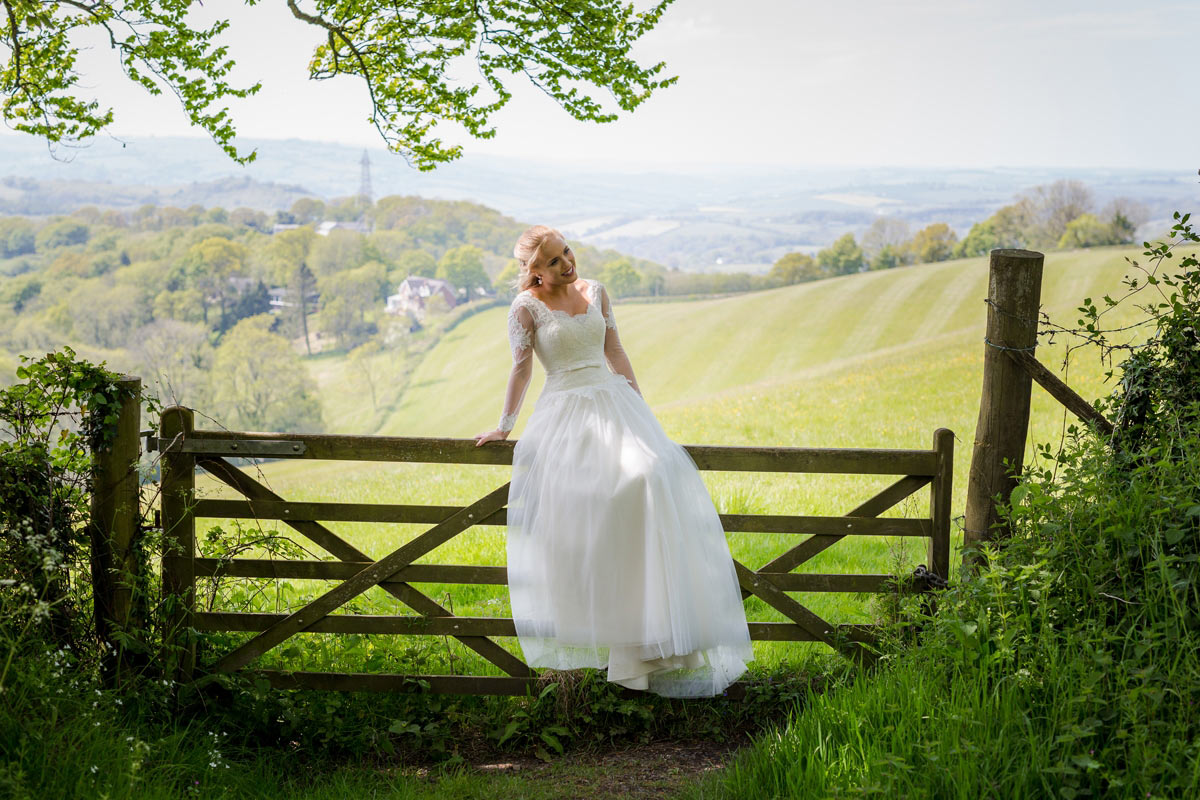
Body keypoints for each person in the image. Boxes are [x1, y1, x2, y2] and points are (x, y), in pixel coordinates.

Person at [473, 225, 753, 697]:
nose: (568, 264)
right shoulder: (525, 308)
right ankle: (615, 626)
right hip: (565, 411)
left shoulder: (596, 292)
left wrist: (642, 410)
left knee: (649, 476)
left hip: (614, 403)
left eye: (568, 252)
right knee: (594, 504)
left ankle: (655, 631)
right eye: (555, 261)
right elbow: (521, 368)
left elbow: (615, 351)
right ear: (535, 272)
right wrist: (503, 425)